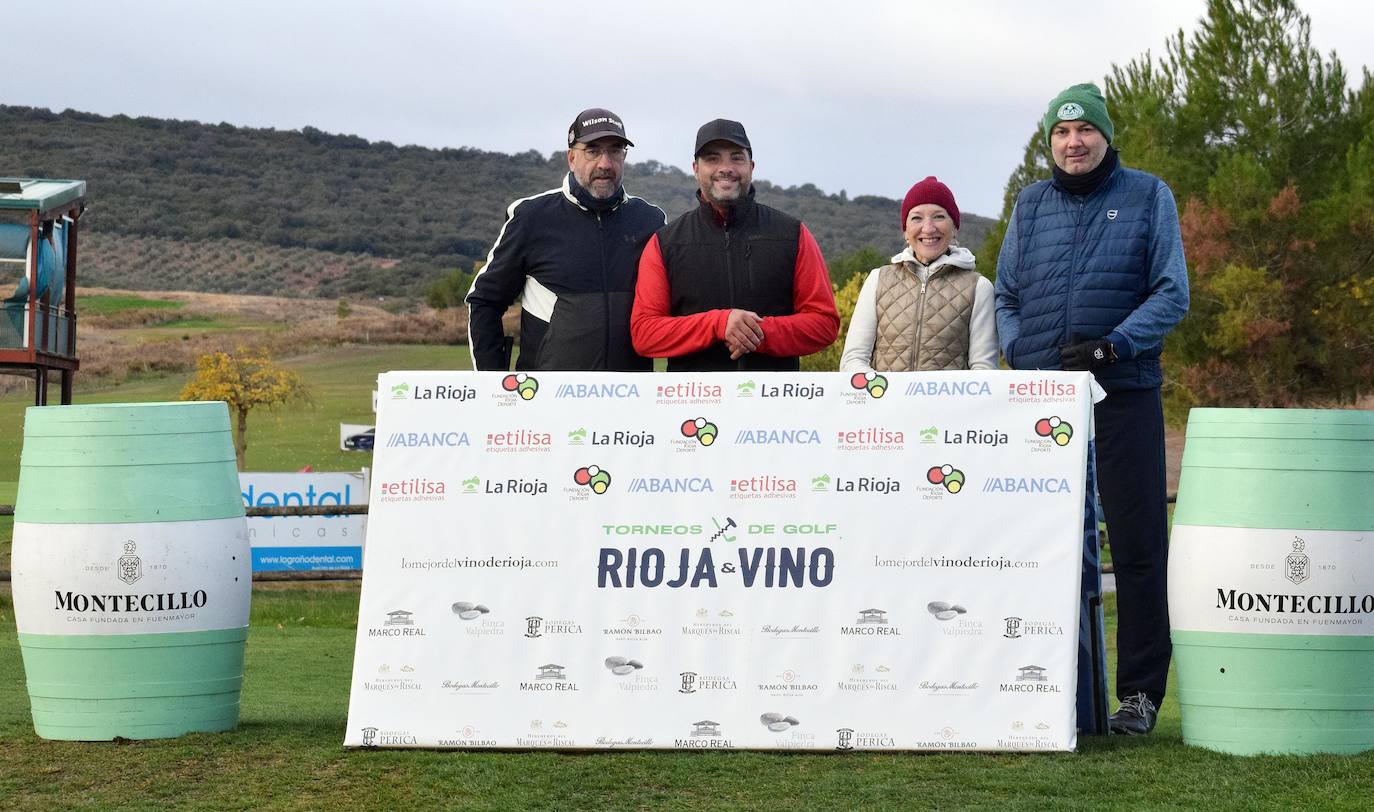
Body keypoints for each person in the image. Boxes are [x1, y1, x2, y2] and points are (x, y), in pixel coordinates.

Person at [994, 83, 1189, 735]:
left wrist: (1114, 347)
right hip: (1045, 405)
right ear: (1049, 142)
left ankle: (1138, 696)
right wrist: (1022, 354)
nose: (1073, 143)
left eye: (1084, 131)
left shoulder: (1147, 195)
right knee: (1037, 548)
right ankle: (1042, 683)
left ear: (1105, 136)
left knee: (1136, 547)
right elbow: (1009, 296)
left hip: (1124, 392)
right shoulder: (1031, 204)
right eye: (1060, 133)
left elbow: (1172, 293)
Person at [466, 108, 665, 370]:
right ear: (571, 158)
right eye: (592, 151)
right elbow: (485, 301)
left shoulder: (650, 220)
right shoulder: (531, 216)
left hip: (629, 398)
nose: (605, 163)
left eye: (615, 150)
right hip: (548, 400)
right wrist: (494, 384)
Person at [630, 119, 839, 370]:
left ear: (751, 166)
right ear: (696, 168)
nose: (725, 168)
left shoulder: (793, 234)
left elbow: (824, 324)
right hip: (694, 404)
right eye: (713, 158)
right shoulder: (665, 243)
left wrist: (757, 333)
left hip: (775, 403)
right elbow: (645, 333)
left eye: (736, 158)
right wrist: (717, 324)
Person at [840, 176, 997, 372]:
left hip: (949, 403)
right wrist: (882, 396)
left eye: (939, 216)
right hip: (885, 401)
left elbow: (984, 370)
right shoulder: (878, 280)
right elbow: (853, 359)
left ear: (954, 227)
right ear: (906, 231)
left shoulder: (979, 287)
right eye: (916, 218)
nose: (928, 228)